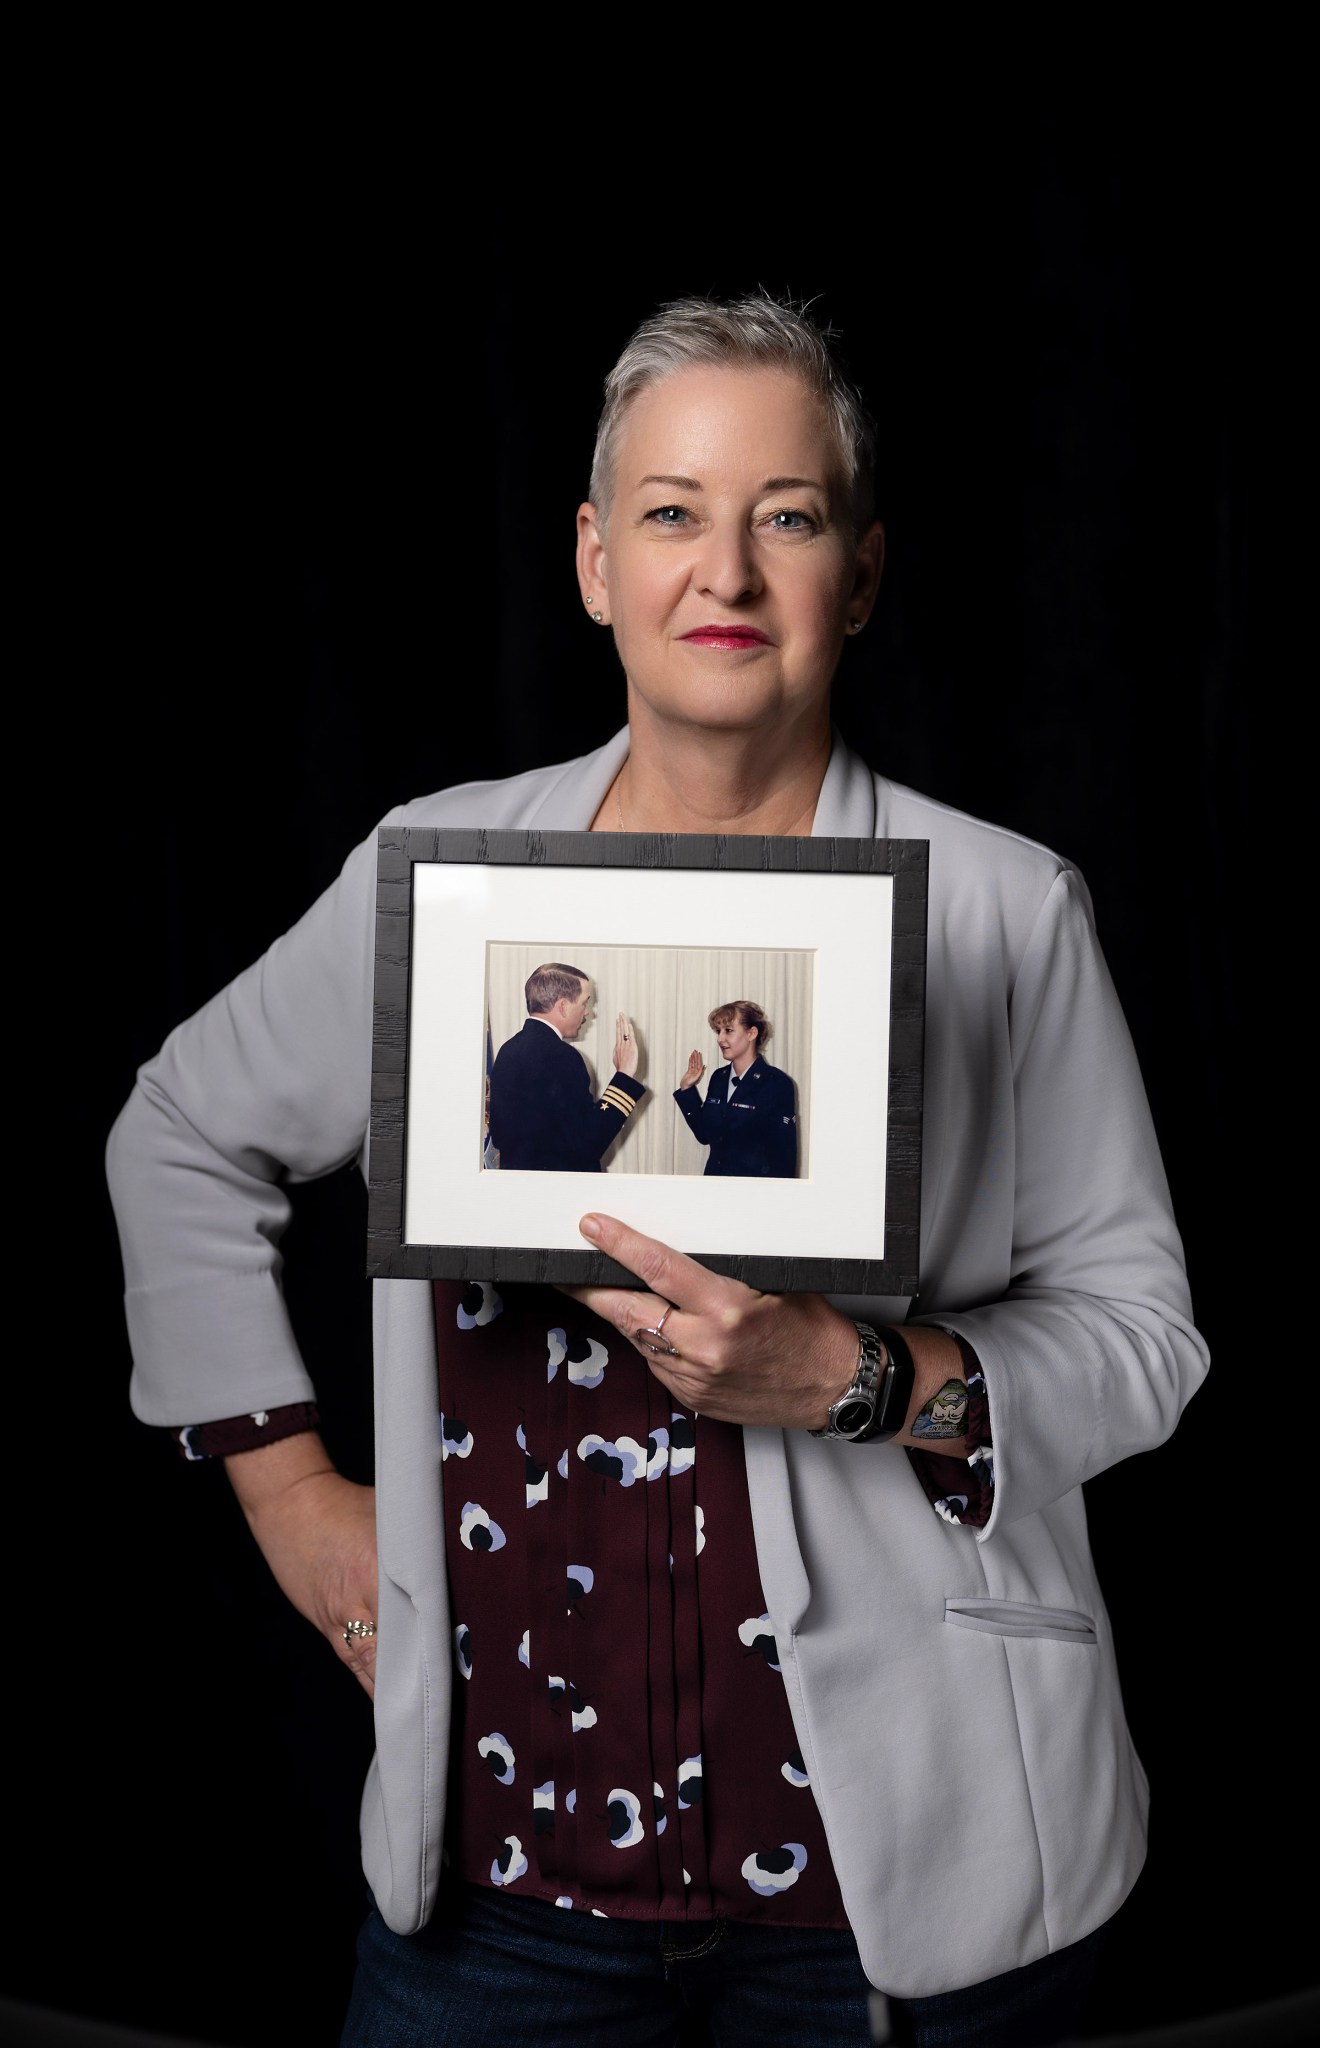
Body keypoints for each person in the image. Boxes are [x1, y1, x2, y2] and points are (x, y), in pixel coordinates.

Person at [107, 295, 1208, 2047]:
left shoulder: (1006, 908)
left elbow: (1144, 1336)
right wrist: (292, 1497)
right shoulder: (433, 887)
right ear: (595, 559)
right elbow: (179, 1132)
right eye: (678, 512)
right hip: (502, 1884)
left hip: (895, 1883)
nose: (730, 569)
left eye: (788, 513)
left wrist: (857, 1376)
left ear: (856, 572)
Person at [487, 962, 644, 1171]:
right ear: (563, 1006)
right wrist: (624, 1076)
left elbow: (502, 1137)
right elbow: (590, 1143)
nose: (588, 1012)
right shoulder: (562, 1057)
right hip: (561, 1191)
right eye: (584, 1003)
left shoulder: (508, 1050)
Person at [674, 999, 798, 1177]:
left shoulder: (776, 1083)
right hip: (714, 1188)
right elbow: (704, 1135)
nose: (720, 1038)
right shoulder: (718, 1078)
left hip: (752, 1195)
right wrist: (687, 1089)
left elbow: (784, 1158)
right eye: (718, 1031)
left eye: (728, 1031)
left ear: (751, 1033)